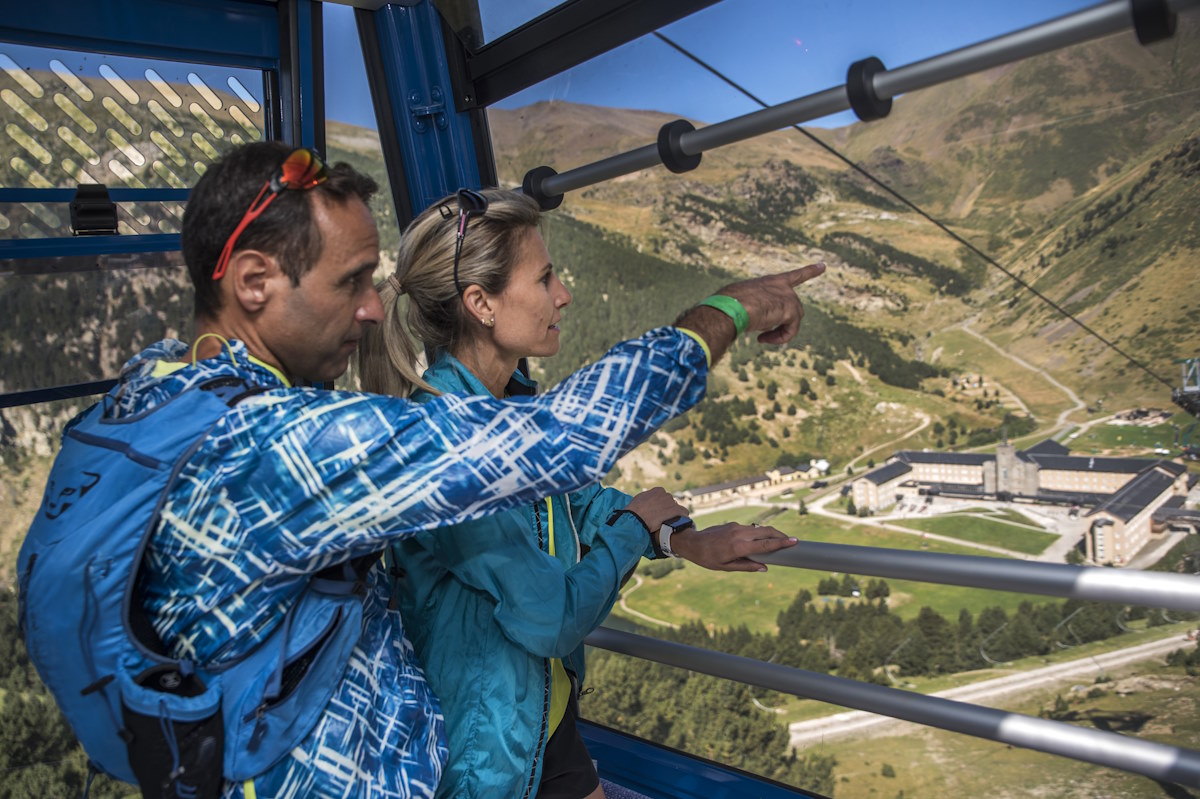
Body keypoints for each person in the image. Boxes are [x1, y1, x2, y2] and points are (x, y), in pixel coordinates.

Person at [24, 140, 824, 799]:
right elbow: (562, 440)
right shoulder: (273, 450)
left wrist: (665, 533)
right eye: (348, 284)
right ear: (254, 282)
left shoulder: (161, 391)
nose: (373, 310)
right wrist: (728, 311)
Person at [356, 189, 800, 799]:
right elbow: (550, 618)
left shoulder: (512, 404)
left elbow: (575, 501)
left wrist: (677, 538)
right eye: (544, 279)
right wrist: (634, 531)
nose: (563, 295)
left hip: (544, 720)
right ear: (481, 303)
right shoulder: (443, 453)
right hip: (486, 764)